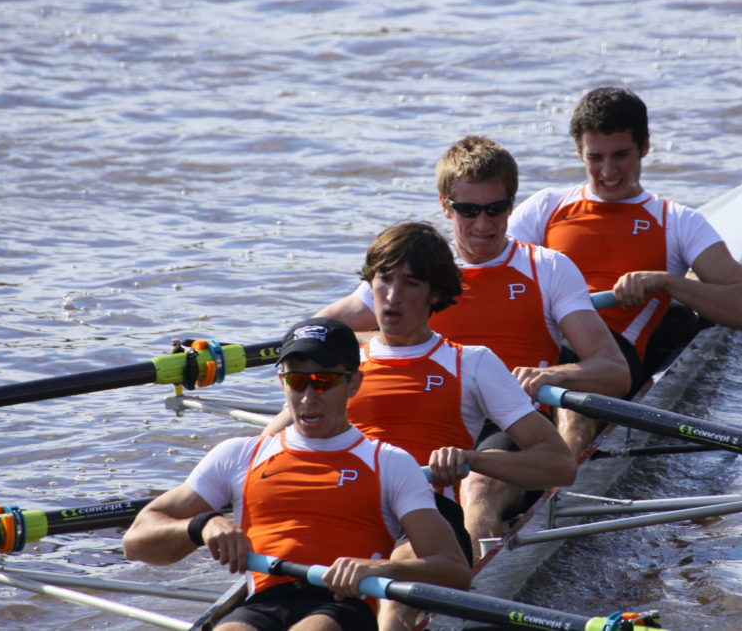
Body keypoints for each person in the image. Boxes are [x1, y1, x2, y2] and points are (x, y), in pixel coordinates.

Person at [123, 317, 470, 631]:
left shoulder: (390, 463)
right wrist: (202, 526)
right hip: (263, 603)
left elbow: (453, 569)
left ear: (353, 384)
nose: (307, 398)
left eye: (323, 381)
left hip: (342, 606)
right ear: (281, 382)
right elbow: (136, 543)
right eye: (296, 380)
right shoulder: (239, 455)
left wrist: (378, 569)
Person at [264, 222, 576, 561]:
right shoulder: (342, 365)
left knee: (395, 586)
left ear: (435, 294)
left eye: (410, 283)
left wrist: (472, 461)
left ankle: (456, 584)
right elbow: (266, 449)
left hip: (423, 513)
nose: (393, 296)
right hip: (342, 507)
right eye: (384, 280)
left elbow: (560, 465)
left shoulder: (472, 363)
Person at [311, 136, 630, 460]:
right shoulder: (413, 269)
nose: (483, 223)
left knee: (480, 483)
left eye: (495, 209)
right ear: (445, 206)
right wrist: (382, 341)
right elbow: (317, 334)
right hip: (427, 417)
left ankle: (549, 491)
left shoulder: (547, 268)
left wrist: (553, 375)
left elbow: (614, 372)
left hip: (510, 420)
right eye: (468, 210)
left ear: (512, 204)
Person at [508, 87, 742, 394]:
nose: (608, 172)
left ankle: (568, 441)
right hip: (539, 341)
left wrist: (666, 283)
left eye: (621, 155)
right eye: (595, 157)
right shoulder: (544, 208)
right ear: (579, 152)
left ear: (645, 147)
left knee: (580, 392)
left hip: (609, 359)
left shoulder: (678, 222)